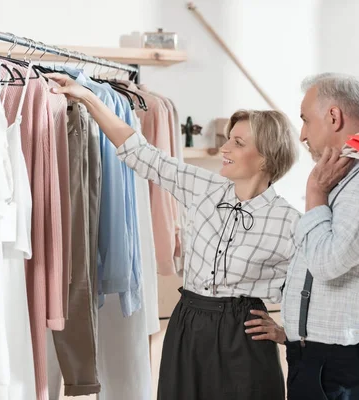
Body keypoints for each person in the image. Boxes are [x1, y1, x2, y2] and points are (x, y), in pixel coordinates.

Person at [46, 73, 301, 400]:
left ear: (266, 157)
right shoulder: (205, 188)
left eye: (238, 143)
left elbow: (314, 292)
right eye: (228, 139)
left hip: (244, 336)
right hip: (189, 323)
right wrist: (88, 98)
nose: (224, 148)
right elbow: (139, 152)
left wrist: (286, 334)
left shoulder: (289, 222)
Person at [245, 72, 359, 399]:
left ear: (333, 116)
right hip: (314, 359)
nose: (302, 135)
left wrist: (314, 192)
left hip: (341, 369)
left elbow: (326, 263)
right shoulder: (343, 177)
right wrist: (292, 333)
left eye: (305, 120)